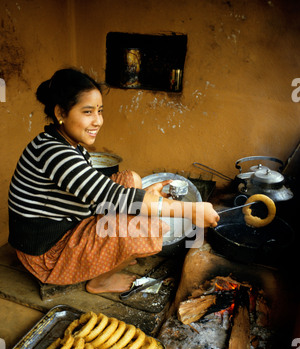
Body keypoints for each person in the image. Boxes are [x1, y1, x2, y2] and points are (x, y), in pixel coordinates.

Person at [8, 68, 219, 294]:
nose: (98, 121)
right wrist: (192, 210)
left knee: (131, 180)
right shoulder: (56, 154)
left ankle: (111, 256)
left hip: (65, 226)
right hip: (47, 254)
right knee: (143, 228)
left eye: (99, 111)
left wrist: (147, 197)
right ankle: (99, 282)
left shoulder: (66, 144)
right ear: (61, 111)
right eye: (87, 112)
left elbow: (100, 195)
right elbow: (114, 197)